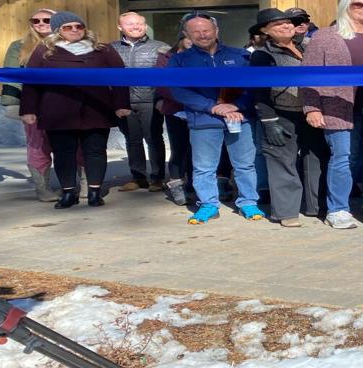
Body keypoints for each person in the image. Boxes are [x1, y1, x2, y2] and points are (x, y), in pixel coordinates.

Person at [21, 12, 132, 208]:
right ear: (58, 31)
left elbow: (119, 78)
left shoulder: (102, 49)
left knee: (95, 152)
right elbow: (31, 82)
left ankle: (94, 192)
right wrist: (29, 109)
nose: (74, 30)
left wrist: (121, 104)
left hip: (96, 108)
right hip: (57, 110)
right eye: (68, 27)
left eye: (78, 26)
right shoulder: (44, 50)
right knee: (63, 153)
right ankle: (68, 193)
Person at [169, 15, 264, 223]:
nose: (202, 35)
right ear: (186, 35)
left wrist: (237, 105)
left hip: (240, 118)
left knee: (245, 164)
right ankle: (208, 205)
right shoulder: (180, 60)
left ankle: (248, 202)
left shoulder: (240, 56)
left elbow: (254, 86)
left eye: (206, 30)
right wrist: (213, 107)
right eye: (196, 32)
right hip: (203, 120)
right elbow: (178, 91)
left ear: (216, 31)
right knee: (203, 167)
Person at [302, 0, 363, 229]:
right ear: (345, 7)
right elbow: (308, 74)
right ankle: (338, 209)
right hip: (338, 108)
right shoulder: (325, 36)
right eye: (358, 3)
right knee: (344, 158)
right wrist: (312, 107)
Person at [250, 8, 321, 227]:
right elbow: (258, 91)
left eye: (287, 22)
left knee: (315, 160)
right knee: (282, 162)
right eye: (277, 24)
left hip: (312, 112)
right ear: (265, 30)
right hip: (280, 113)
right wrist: (269, 121)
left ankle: (315, 207)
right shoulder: (262, 54)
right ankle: (286, 212)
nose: (285, 26)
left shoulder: (307, 46)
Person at [3, 9, 62, 201]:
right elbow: (11, 74)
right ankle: (43, 188)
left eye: (47, 20)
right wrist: (12, 103)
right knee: (38, 146)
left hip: (66, 102)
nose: (41, 23)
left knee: (75, 144)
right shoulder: (19, 46)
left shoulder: (70, 42)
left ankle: (79, 184)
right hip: (33, 104)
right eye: (35, 21)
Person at [112, 12, 171, 193]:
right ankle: (138, 177)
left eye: (139, 23)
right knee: (132, 140)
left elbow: (167, 77)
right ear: (120, 27)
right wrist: (115, 103)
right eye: (130, 24)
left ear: (145, 26)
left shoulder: (160, 47)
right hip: (124, 103)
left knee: (154, 139)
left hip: (150, 101)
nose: (136, 27)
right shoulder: (110, 49)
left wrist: (161, 99)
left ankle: (157, 178)